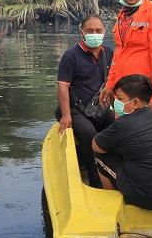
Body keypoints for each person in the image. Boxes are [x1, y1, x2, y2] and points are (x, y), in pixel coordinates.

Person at [92, 74, 152, 210]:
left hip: (149, 198)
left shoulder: (123, 123)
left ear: (136, 103)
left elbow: (96, 146)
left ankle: (114, 206)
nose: (116, 104)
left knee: (101, 156)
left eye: (120, 99)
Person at [57, 14, 116, 188]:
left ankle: (116, 171)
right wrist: (66, 115)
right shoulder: (71, 55)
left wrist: (117, 109)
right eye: (89, 30)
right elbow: (62, 87)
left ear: (104, 32)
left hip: (99, 107)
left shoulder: (108, 53)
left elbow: (112, 82)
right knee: (88, 132)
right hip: (76, 108)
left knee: (119, 125)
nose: (94, 34)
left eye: (98, 30)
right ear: (81, 32)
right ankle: (95, 179)